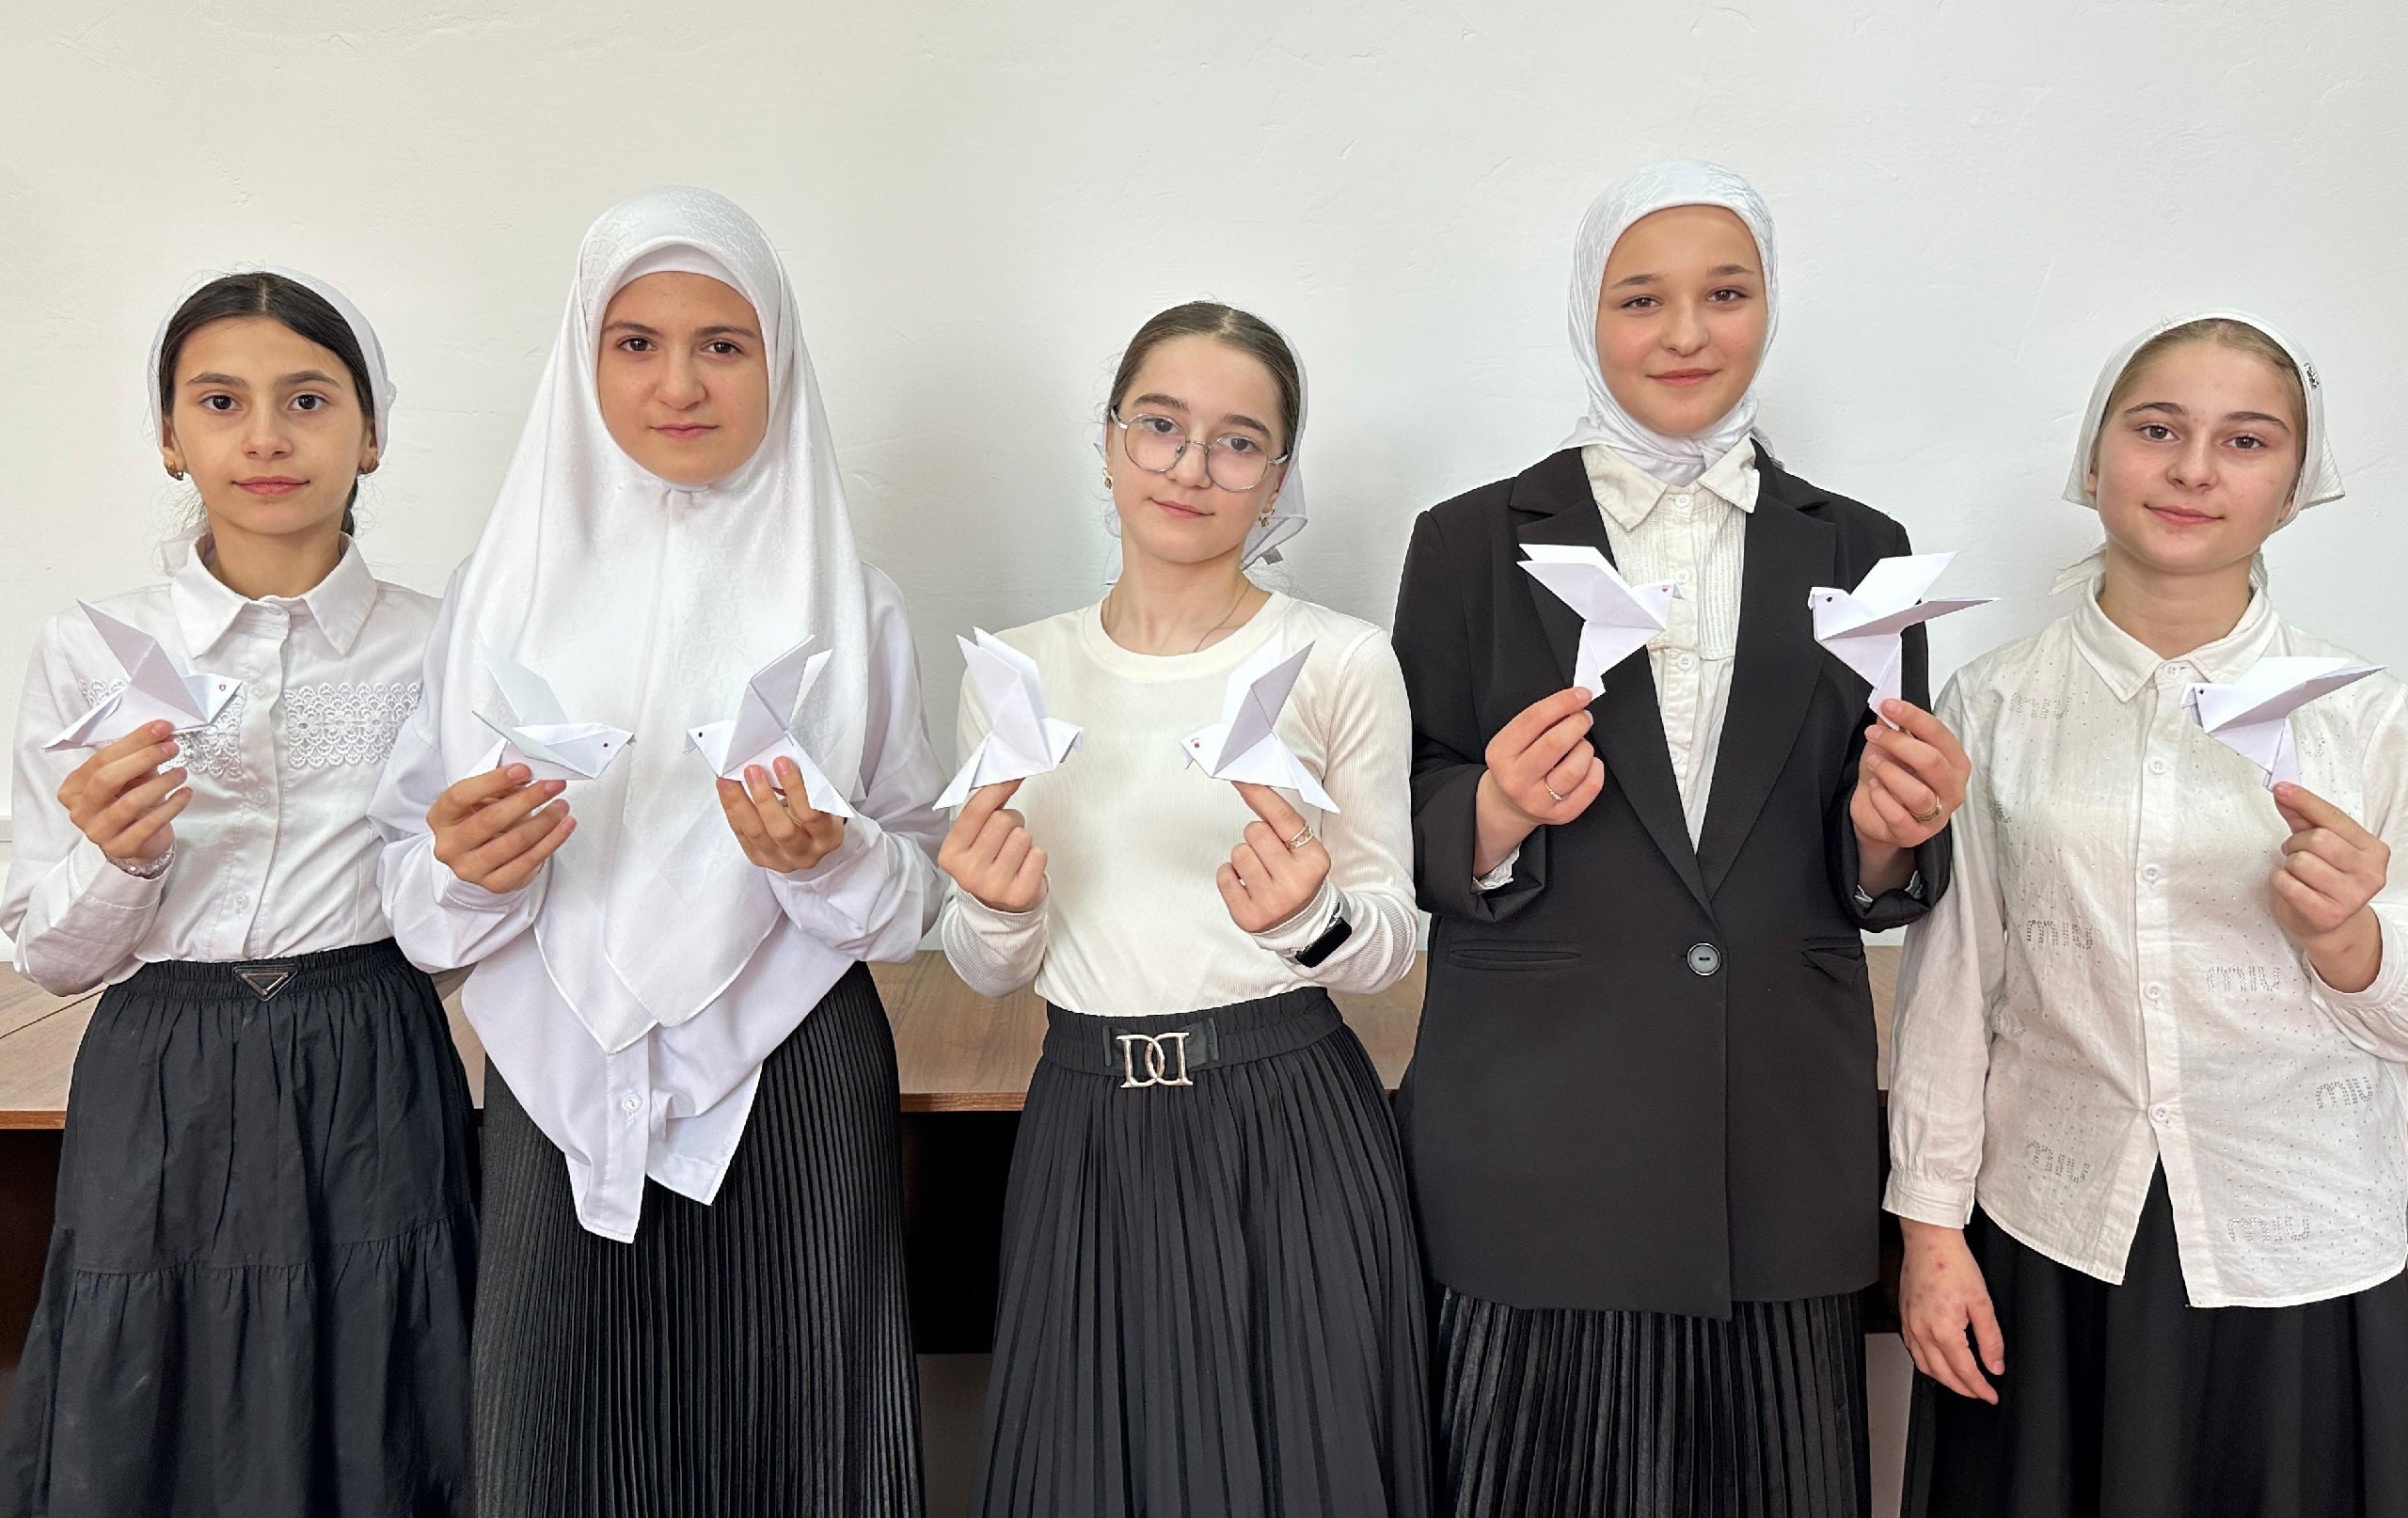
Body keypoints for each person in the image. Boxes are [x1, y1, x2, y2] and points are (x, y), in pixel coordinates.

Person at [1390, 160, 1967, 1516]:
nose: (1687, 333)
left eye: (1727, 293)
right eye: (1641, 298)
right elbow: (1395, 814)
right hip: (1535, 1156)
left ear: (1770, 307)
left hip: (1779, 1151)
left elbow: (1878, 864)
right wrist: (1493, 809)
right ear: (1586, 315)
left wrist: (1892, 836)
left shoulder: (1863, 547)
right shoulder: (1467, 542)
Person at [371, 187, 943, 1516]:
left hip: (793, 1078)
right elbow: (412, 890)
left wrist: (827, 859)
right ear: (585, 360)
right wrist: (468, 865)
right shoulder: (494, 597)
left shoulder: (852, 605)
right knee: (561, 1450)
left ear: (778, 360)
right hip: (553, 1078)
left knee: (804, 1453)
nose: (678, 384)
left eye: (722, 345)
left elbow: (921, 893)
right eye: (636, 343)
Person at [1889, 312, 2408, 1518]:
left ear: (2295, 485)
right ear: (2094, 455)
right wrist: (1928, 1233)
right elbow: (1952, 983)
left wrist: (2351, 943)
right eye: (2158, 430)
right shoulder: (1993, 704)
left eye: (2246, 440)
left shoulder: (2368, 721)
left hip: (2300, 1242)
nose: (2193, 470)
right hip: (2051, 1233)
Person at [940, 301, 1430, 1517]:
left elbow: (1392, 939)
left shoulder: (1341, 660)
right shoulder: (1015, 670)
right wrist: (995, 912)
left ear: (1276, 478)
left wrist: (1311, 920)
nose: (1191, 467)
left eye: (1237, 442)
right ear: (1109, 440)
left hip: (1290, 1126)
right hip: (1083, 1131)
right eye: (1159, 426)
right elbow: (989, 965)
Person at [1, 270, 474, 1516]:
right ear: (170, 436)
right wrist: (123, 856)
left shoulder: (448, 643)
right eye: (220, 401)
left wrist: (479, 863)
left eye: (307, 400)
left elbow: (455, 931)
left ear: (371, 434)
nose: (265, 436)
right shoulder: (91, 648)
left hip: (373, 1048)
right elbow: (50, 953)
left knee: (381, 1384)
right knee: (145, 1393)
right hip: (162, 1065)